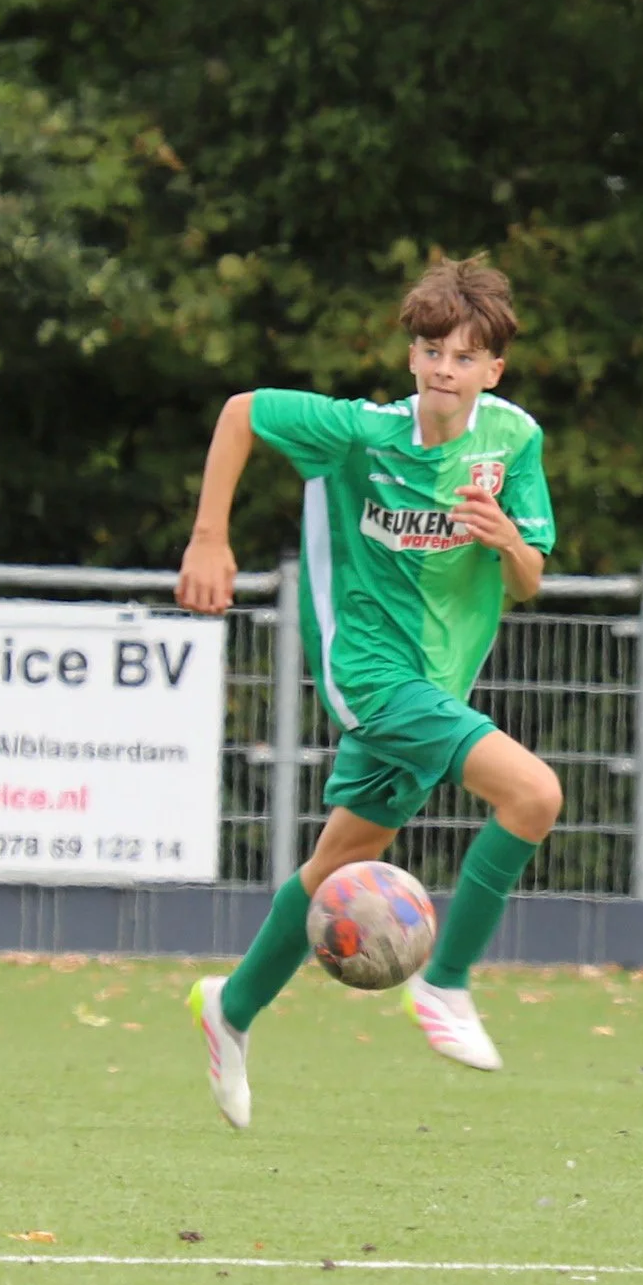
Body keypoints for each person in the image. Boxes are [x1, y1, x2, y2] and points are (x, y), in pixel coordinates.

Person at [174, 255, 562, 1128]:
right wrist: (209, 538)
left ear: (493, 370)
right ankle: (446, 984)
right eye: (431, 352)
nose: (443, 370)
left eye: (464, 357)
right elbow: (241, 412)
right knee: (534, 795)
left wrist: (506, 540)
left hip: (436, 682)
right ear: (412, 357)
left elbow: (530, 580)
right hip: (370, 674)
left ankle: (231, 1008)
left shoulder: (514, 441)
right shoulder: (359, 433)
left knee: (338, 863)